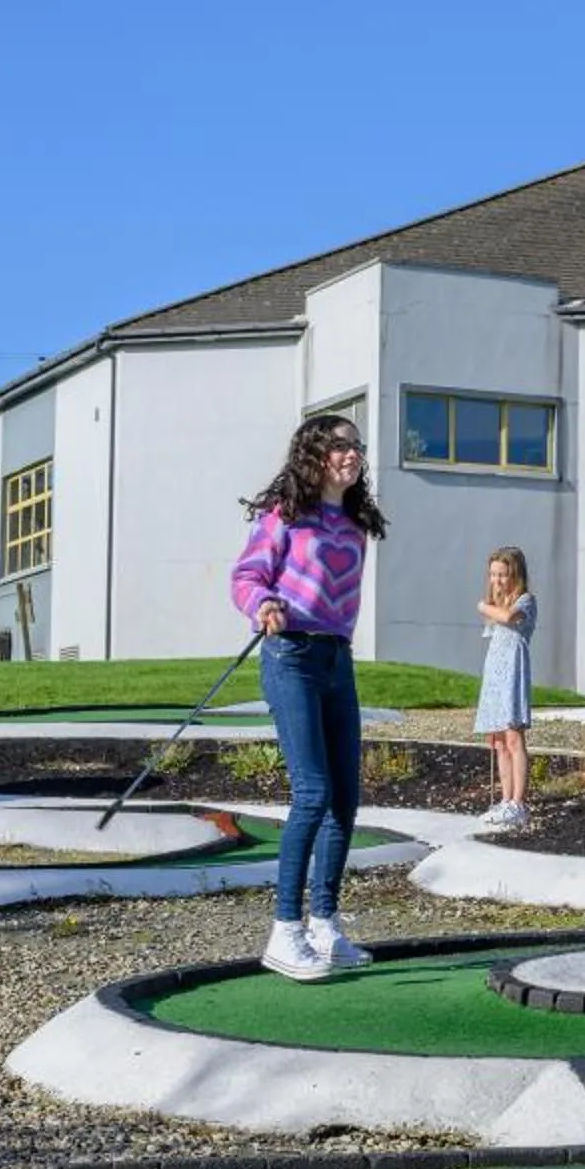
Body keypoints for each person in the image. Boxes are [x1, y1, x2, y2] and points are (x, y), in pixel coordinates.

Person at [230, 412, 386, 982]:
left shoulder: (355, 522)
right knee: (313, 792)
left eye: (356, 446)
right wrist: (263, 605)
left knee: (345, 799)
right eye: (340, 446)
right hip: (290, 655)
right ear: (315, 454)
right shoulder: (285, 515)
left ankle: (324, 924)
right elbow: (246, 577)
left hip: (336, 660)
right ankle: (285, 931)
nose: (352, 454)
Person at [474, 547, 536, 829]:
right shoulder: (499, 603)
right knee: (498, 741)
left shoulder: (525, 601)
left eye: (502, 574)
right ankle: (506, 799)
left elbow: (510, 618)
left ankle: (518, 804)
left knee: (513, 738)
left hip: (512, 673)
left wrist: (484, 606)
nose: (496, 580)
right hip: (495, 676)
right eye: (493, 574)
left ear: (515, 574)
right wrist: (492, 605)